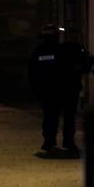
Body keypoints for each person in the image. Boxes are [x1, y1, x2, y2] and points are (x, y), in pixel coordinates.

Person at [29, 24, 70, 152]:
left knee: (49, 116)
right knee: (65, 116)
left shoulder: (38, 51)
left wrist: (35, 88)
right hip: (59, 88)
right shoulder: (62, 50)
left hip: (46, 89)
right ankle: (66, 141)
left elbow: (32, 71)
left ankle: (49, 140)